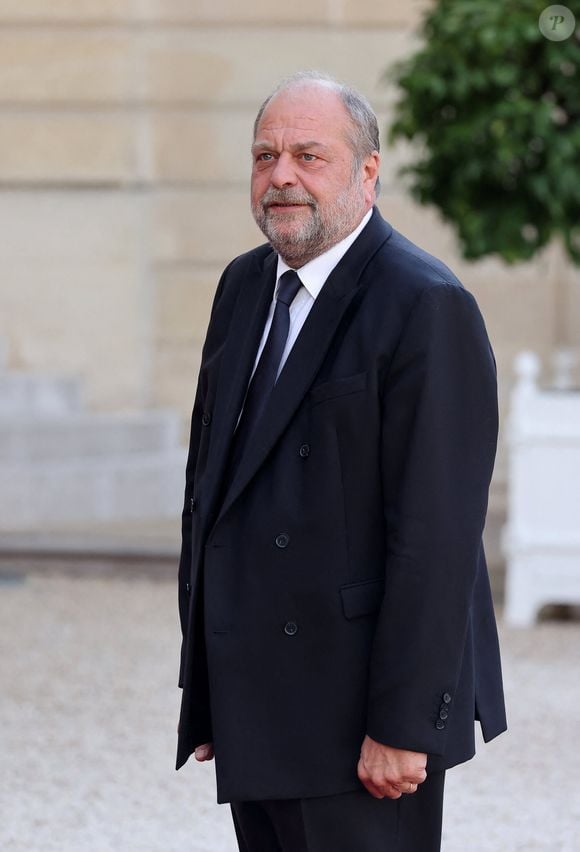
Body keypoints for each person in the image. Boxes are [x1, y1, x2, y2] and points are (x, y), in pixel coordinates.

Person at [176, 71, 506, 852]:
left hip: (361, 722)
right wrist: (213, 693)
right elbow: (211, 491)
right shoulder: (242, 286)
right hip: (261, 700)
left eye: (308, 155)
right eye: (265, 156)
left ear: (368, 171)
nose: (281, 176)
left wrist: (402, 723)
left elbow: (437, 539)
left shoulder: (425, 303)